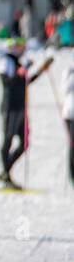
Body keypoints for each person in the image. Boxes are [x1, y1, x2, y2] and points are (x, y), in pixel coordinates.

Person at [0, 39, 52, 189]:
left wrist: (41, 70)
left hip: (21, 108)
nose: (23, 49)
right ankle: (6, 175)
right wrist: (20, 72)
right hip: (10, 107)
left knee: (24, 141)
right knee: (8, 140)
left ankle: (6, 170)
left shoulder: (19, 62)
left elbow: (25, 81)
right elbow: (7, 82)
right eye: (20, 46)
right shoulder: (6, 61)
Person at [62, 54, 74, 184]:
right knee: (72, 145)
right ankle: (72, 175)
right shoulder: (69, 71)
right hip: (70, 113)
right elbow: (65, 89)